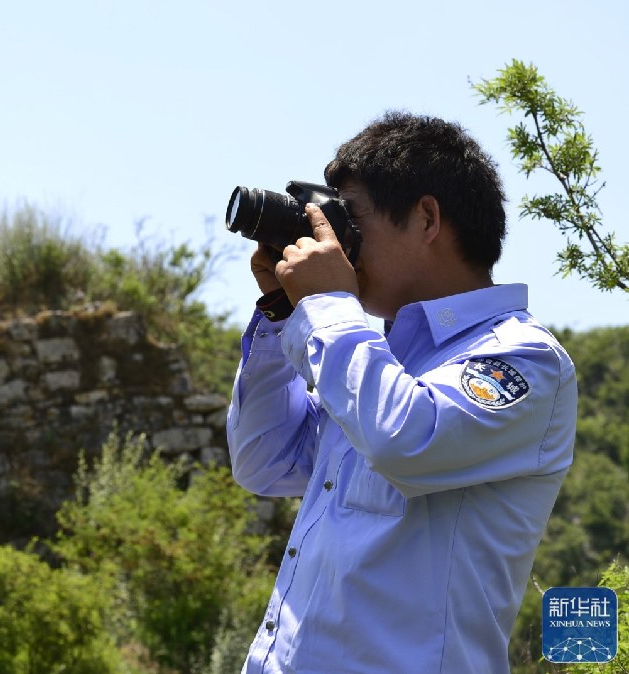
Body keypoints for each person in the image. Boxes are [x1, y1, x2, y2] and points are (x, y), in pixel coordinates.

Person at [226, 111, 578, 674]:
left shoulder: (524, 359)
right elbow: (264, 462)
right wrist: (281, 312)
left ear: (427, 218)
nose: (338, 243)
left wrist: (328, 307)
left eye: (349, 218)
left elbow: (405, 440)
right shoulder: (375, 361)